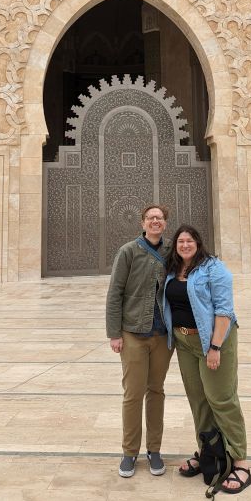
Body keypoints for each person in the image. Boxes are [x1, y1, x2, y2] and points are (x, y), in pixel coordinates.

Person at [162, 224, 251, 494]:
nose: (185, 245)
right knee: (198, 400)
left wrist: (215, 347)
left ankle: (241, 462)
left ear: (199, 243)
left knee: (221, 398)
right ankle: (208, 452)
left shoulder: (214, 268)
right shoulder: (172, 269)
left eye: (190, 240)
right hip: (184, 342)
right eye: (181, 241)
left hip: (213, 341)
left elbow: (224, 310)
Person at [106, 204, 173, 478]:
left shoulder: (173, 251)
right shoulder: (128, 251)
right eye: (150, 218)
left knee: (156, 391)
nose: (155, 221)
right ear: (143, 223)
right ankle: (129, 452)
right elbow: (114, 293)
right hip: (133, 332)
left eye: (160, 218)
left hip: (162, 334)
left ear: (165, 223)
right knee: (133, 394)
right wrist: (114, 333)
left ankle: (154, 450)